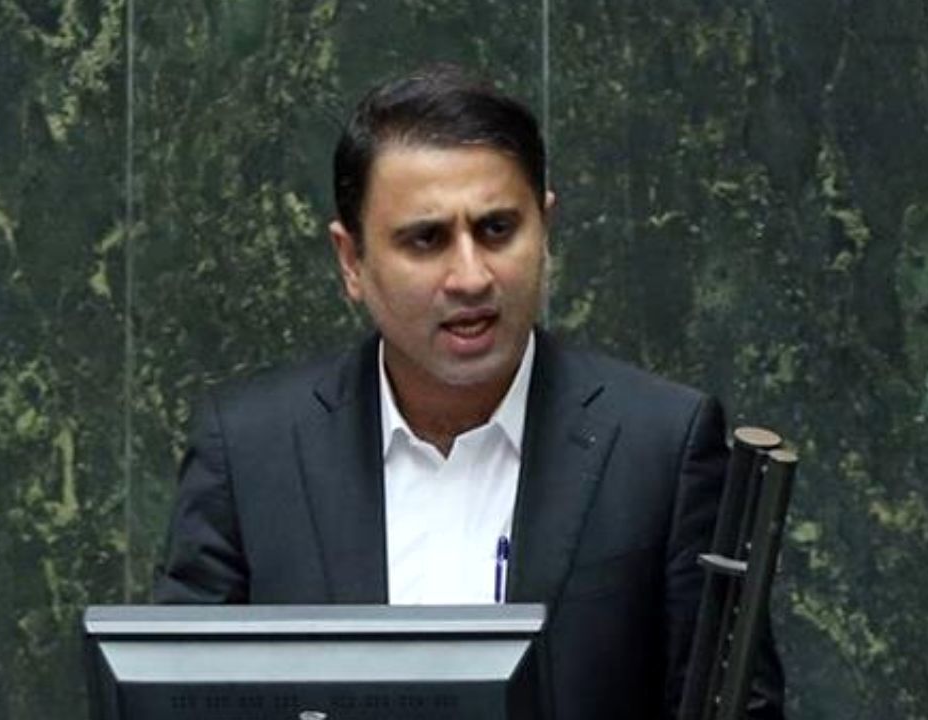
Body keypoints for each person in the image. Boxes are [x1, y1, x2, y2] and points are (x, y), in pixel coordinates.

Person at [153, 65, 784, 719]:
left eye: (497, 230)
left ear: (545, 227)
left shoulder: (661, 445)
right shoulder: (250, 453)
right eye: (426, 239)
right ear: (351, 261)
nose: (471, 276)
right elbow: (174, 702)